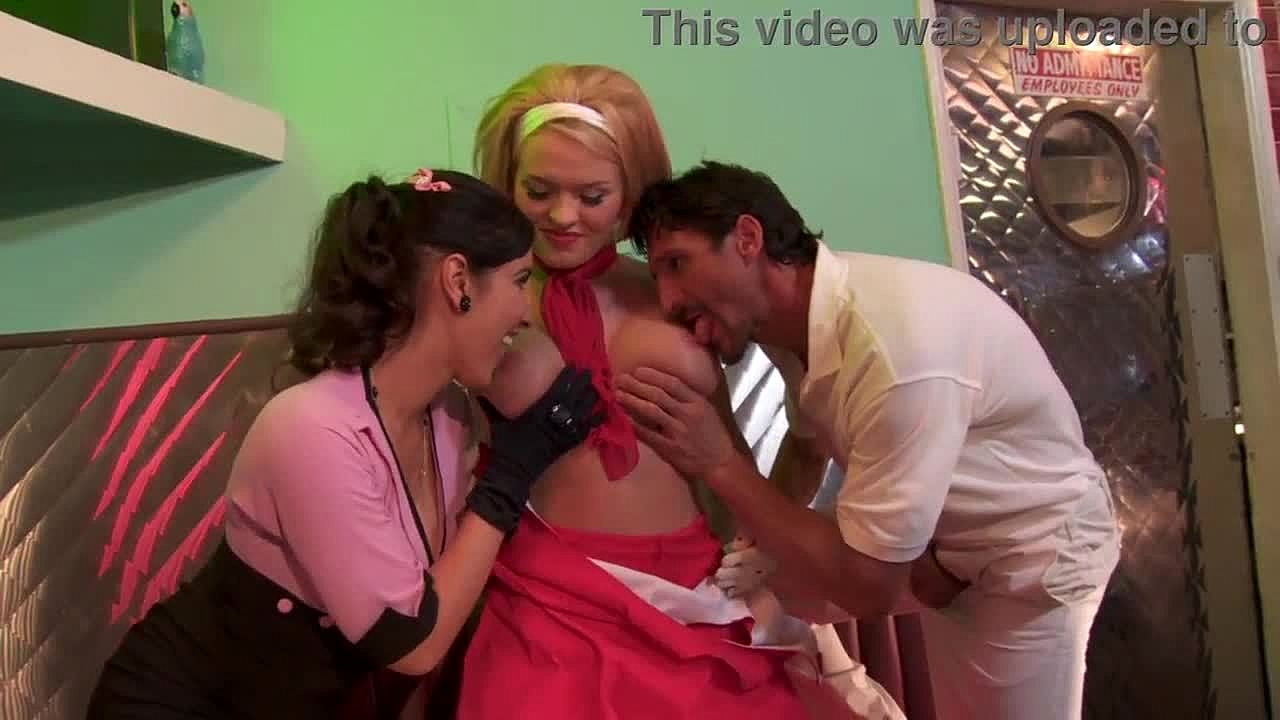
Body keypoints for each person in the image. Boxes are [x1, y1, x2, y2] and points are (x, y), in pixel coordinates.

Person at [451, 64, 904, 720]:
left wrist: (762, 548)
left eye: (592, 195)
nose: (563, 216)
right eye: (539, 191)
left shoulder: (680, 291)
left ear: (629, 190)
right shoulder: (479, 297)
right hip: (543, 593)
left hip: (696, 587)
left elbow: (798, 432)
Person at [85, 168, 606, 719]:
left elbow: (440, 600)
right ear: (458, 282)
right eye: (520, 281)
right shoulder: (312, 428)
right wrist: (511, 475)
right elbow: (412, 644)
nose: (524, 312)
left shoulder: (447, 417)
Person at [616, 160, 1122, 720]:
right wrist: (752, 542)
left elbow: (869, 590)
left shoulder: (892, 351)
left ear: (747, 239)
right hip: (946, 554)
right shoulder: (793, 321)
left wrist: (720, 463)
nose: (668, 300)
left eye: (677, 264)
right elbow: (807, 448)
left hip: (1031, 556)